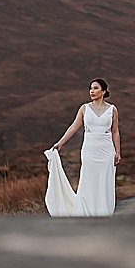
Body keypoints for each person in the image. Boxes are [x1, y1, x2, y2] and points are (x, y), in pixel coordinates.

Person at [44, 78, 120, 217]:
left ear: (104, 91)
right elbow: (74, 127)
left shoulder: (112, 110)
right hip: (90, 150)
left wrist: (117, 152)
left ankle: (104, 211)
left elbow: (115, 132)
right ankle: (87, 211)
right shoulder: (84, 108)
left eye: (96, 88)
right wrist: (60, 143)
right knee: (88, 179)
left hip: (106, 150)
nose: (92, 91)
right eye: (90, 88)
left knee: (104, 181)